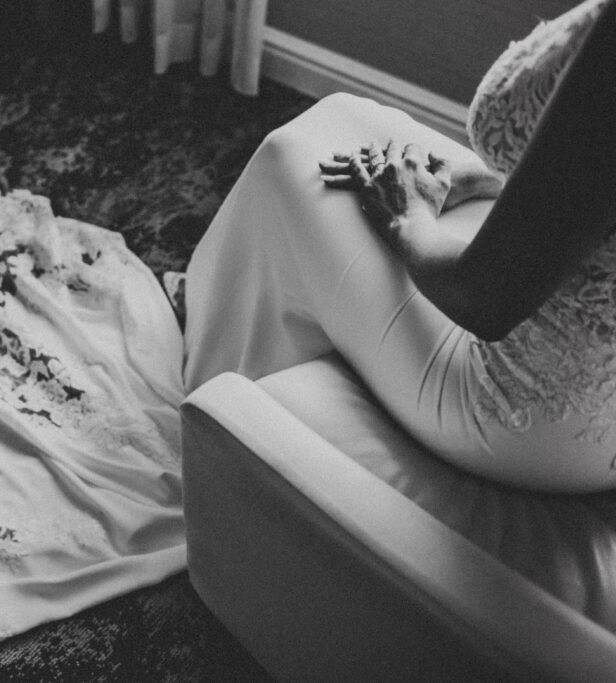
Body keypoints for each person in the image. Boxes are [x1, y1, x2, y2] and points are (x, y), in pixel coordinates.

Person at [183, 0, 616, 492]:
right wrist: (485, 180)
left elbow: (483, 300)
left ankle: (209, 407)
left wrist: (408, 215)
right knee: (349, 118)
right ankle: (234, 313)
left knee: (287, 163)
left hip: (536, 416)